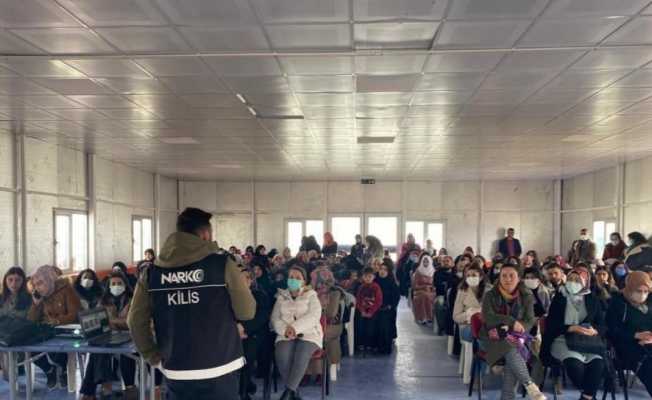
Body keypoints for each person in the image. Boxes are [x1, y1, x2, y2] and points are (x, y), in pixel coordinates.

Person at [127, 207, 256, 400]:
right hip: (220, 365)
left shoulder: (151, 273)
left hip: (177, 368)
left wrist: (151, 355)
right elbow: (247, 311)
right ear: (205, 234)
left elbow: (135, 321)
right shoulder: (221, 264)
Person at [480, 263, 546, 400]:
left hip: (518, 336)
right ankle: (529, 385)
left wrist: (517, 328)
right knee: (511, 346)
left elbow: (529, 319)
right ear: (499, 277)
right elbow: (488, 317)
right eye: (504, 275)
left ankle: (510, 396)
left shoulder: (526, 295)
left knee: (513, 347)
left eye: (511, 276)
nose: (507, 279)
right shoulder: (490, 295)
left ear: (519, 278)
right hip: (492, 336)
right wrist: (510, 321)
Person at [541, 266, 607, 400]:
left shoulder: (592, 299)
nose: (573, 282)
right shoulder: (560, 297)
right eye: (570, 279)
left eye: (577, 280)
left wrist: (595, 330)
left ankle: (586, 396)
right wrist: (569, 328)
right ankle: (589, 395)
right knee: (574, 366)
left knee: (598, 365)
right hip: (562, 339)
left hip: (588, 341)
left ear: (585, 282)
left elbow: (602, 325)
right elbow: (551, 324)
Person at [80, 272, 137, 400]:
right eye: (113, 284)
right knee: (97, 350)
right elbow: (98, 320)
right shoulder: (103, 301)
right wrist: (114, 322)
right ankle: (100, 389)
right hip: (110, 336)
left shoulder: (133, 300)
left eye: (119, 284)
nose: (116, 286)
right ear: (109, 287)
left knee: (125, 354)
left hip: (131, 337)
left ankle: (90, 392)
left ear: (125, 286)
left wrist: (112, 321)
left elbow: (131, 322)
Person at [271, 265, 322, 400]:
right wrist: (285, 330)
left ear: (304, 281)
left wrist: (295, 328)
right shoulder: (281, 296)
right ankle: (294, 393)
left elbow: (314, 315)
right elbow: (275, 318)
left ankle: (288, 393)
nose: (293, 280)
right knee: (281, 354)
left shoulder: (311, 295)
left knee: (301, 354)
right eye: (291, 277)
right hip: (285, 334)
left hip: (309, 334)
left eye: (297, 278)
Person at [28, 264, 82, 389]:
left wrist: (57, 321)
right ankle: (49, 370)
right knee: (29, 347)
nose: (38, 287)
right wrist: (36, 304)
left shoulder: (66, 289)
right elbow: (31, 320)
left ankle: (63, 369)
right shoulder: (40, 296)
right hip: (47, 332)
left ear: (49, 279)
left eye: (40, 283)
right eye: (35, 284)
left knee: (58, 347)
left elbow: (75, 314)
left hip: (66, 331)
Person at [606, 271, 652, 396]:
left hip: (648, 343)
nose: (642, 295)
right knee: (647, 363)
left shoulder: (649, 304)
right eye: (639, 291)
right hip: (625, 346)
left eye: (646, 291)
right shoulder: (617, 303)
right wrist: (635, 335)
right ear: (630, 288)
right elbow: (611, 330)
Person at [238, 269, 271, 400]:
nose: (243, 280)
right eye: (240, 278)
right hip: (235, 332)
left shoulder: (260, 295)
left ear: (251, 280)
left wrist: (245, 329)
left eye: (247, 277)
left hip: (255, 333)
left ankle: (243, 392)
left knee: (247, 354)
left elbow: (261, 317)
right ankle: (244, 385)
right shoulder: (231, 295)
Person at [307, 267, 345, 383]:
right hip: (313, 323)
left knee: (317, 336)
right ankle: (306, 372)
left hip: (332, 325)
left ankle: (319, 372)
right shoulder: (310, 292)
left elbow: (330, 313)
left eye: (315, 280)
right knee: (305, 336)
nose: (313, 282)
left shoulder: (335, 292)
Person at [0, 266, 32, 381]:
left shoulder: (28, 298)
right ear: (5, 280)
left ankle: (16, 368)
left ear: (23, 282)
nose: (14, 283)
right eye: (10, 279)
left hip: (19, 333)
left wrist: (7, 313)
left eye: (18, 280)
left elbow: (27, 317)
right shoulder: (1, 297)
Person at [453, 262, 490, 343]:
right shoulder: (462, 292)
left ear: (480, 277)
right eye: (468, 276)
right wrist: (468, 314)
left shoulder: (489, 291)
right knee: (480, 333)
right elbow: (455, 317)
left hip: (487, 325)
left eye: (474, 275)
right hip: (468, 326)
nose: (470, 278)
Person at [355, 267, 383, 351]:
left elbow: (378, 301)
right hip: (363, 311)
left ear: (373, 277)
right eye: (366, 276)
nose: (368, 278)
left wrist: (371, 312)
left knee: (372, 328)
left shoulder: (376, 287)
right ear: (363, 277)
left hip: (373, 312)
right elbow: (358, 300)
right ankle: (362, 343)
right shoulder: (361, 287)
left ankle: (371, 344)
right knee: (361, 328)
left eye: (370, 276)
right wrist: (362, 310)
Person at [376, 262, 400, 354]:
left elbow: (396, 297)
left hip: (388, 309)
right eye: (381, 269)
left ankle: (385, 347)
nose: (382, 271)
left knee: (385, 322)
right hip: (376, 308)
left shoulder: (391, 283)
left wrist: (391, 305)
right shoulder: (375, 281)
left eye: (385, 270)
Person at [412, 255, 435, 325]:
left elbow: (435, 284)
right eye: (424, 261)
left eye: (427, 262)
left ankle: (429, 318)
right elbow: (415, 286)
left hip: (431, 291)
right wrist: (423, 287)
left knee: (428, 296)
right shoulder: (418, 271)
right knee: (423, 296)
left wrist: (431, 287)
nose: (425, 263)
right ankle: (422, 318)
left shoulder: (433, 272)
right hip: (419, 291)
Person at [434, 255, 454, 335]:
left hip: (453, 295)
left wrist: (445, 284)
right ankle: (441, 326)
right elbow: (437, 285)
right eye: (444, 261)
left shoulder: (454, 272)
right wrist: (446, 285)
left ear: (452, 263)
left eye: (447, 261)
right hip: (442, 295)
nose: (446, 263)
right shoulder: (437, 273)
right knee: (439, 304)